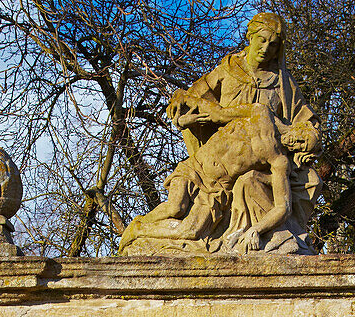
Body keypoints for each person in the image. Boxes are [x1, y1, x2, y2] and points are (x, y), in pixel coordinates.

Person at [119, 12, 322, 255]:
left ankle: (257, 235)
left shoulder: (283, 85)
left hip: (233, 178)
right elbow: (195, 97)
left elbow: (308, 124)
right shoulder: (230, 71)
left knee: (309, 180)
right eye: (262, 40)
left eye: (273, 44)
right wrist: (182, 103)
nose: (266, 48)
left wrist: (307, 139)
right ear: (250, 36)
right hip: (210, 160)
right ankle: (135, 231)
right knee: (175, 208)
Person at [118, 105, 319, 255]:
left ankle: (139, 231)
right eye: (302, 137)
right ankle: (137, 226)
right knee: (175, 208)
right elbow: (219, 114)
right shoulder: (261, 113)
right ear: (298, 127)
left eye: (302, 146)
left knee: (191, 231)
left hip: (216, 190)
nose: (297, 143)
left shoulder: (279, 162)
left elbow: (283, 208)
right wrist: (191, 119)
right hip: (197, 167)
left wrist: (257, 229)